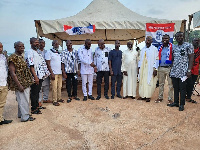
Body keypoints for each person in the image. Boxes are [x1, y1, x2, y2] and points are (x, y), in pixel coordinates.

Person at [8, 41, 35, 122]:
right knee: (24, 100)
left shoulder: (21, 56)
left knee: (22, 99)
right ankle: (25, 117)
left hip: (25, 82)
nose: (22, 48)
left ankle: (21, 114)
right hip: (20, 83)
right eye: (20, 46)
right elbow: (12, 73)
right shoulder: (13, 57)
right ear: (15, 47)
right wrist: (19, 85)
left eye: (23, 46)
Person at [168, 32, 194, 111]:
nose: (179, 38)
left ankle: (182, 104)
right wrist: (171, 69)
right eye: (177, 37)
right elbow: (173, 59)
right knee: (175, 87)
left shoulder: (188, 45)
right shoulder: (174, 47)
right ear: (175, 38)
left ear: (183, 37)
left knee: (182, 88)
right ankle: (176, 102)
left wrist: (189, 70)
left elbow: (191, 58)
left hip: (183, 71)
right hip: (175, 71)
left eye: (181, 36)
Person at [25, 37, 50, 114]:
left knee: (37, 91)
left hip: (40, 76)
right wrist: (35, 77)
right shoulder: (29, 52)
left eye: (38, 42)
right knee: (34, 93)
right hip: (35, 77)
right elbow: (31, 65)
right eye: (35, 42)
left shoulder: (37, 52)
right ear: (31, 43)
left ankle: (37, 106)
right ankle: (33, 108)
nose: (37, 44)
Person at [138, 36, 158, 102]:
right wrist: (139, 67)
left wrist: (155, 69)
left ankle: (148, 96)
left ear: (152, 41)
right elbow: (140, 59)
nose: (147, 41)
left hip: (150, 68)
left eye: (149, 40)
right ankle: (142, 95)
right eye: (147, 40)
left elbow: (157, 59)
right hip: (143, 68)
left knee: (149, 81)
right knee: (142, 81)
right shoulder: (143, 49)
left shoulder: (154, 49)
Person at [155, 34, 173, 104]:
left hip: (169, 68)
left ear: (169, 39)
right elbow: (157, 58)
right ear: (162, 40)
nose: (165, 40)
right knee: (161, 84)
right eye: (163, 39)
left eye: (166, 38)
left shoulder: (172, 47)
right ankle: (160, 97)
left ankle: (170, 99)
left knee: (170, 84)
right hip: (161, 68)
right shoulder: (160, 48)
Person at [45, 40, 64, 106]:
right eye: (55, 44)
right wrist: (51, 73)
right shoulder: (49, 52)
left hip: (59, 72)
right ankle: (54, 100)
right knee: (54, 87)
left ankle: (59, 98)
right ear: (52, 44)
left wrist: (62, 71)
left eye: (58, 44)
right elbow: (48, 63)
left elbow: (61, 63)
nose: (57, 45)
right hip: (54, 73)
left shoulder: (58, 52)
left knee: (59, 86)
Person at [0, 42, 12, 125]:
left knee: (2, 103)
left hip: (3, 83)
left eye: (1, 47)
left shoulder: (3, 57)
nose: (0, 49)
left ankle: (0, 119)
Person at [185, 37, 200, 103]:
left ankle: (188, 97)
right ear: (192, 41)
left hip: (196, 70)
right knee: (187, 83)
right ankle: (185, 95)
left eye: (197, 41)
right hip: (188, 70)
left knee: (192, 84)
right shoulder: (189, 49)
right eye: (195, 41)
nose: (196, 42)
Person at [38, 39, 51, 106]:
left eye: (43, 43)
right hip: (39, 72)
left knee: (46, 85)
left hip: (46, 71)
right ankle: (39, 100)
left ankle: (45, 98)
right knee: (40, 87)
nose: (42, 44)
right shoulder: (36, 52)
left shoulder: (47, 52)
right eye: (40, 43)